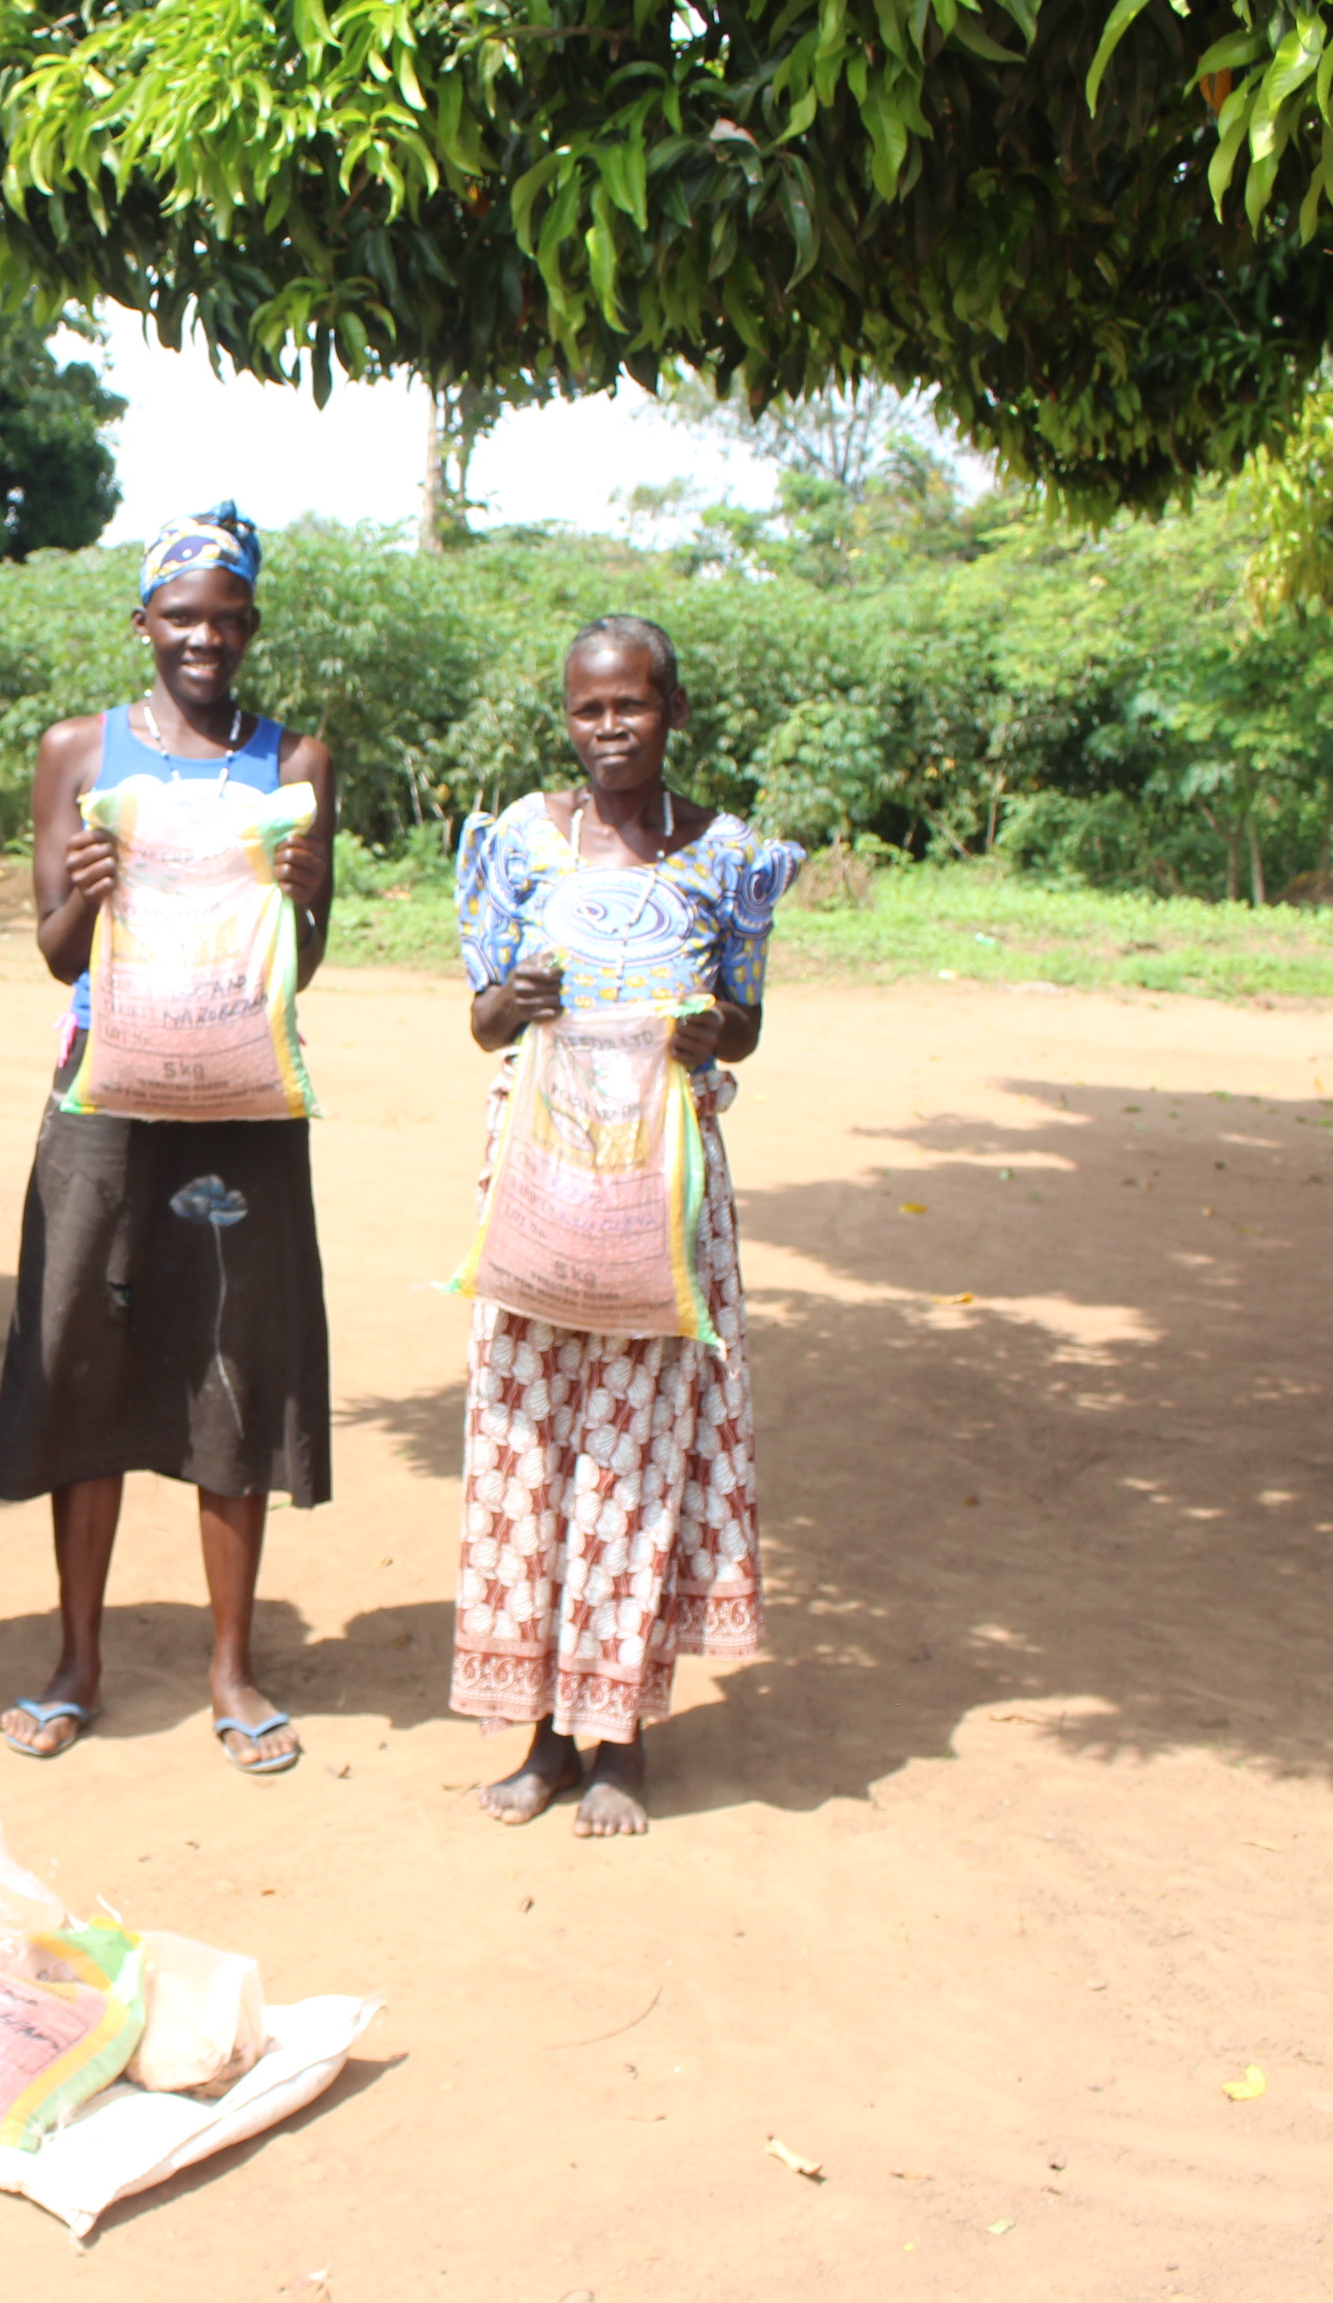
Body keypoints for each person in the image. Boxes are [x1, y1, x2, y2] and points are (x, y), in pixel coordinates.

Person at [0, 503, 336, 1776]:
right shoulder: (80, 750)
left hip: (242, 1109)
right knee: (86, 1359)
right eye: (182, 617)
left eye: (227, 620)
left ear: (251, 628)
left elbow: (305, 960)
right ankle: (77, 1661)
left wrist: (304, 902)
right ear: (143, 622)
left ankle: (231, 1666)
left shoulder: (295, 760)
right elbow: (55, 953)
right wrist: (82, 897)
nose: (205, 639)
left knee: (233, 1357)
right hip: (104, 1104)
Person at [446, 614, 802, 1835]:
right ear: (568, 719)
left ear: (673, 712)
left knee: (638, 1452)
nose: (611, 728)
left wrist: (711, 1032)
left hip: (664, 1189)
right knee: (536, 1446)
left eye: (632, 705)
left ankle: (622, 1737)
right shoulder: (519, 842)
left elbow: (745, 1021)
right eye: (589, 709)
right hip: (541, 1180)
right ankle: (546, 1735)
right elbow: (483, 1021)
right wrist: (512, 996)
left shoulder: (725, 857)